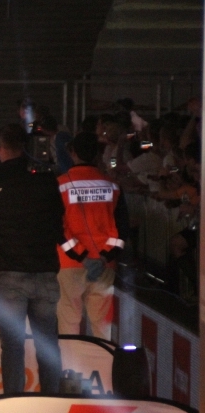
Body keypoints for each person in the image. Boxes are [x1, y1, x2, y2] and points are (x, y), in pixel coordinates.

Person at [0, 124, 65, 395]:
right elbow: (59, 213)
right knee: (48, 343)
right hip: (45, 272)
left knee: (12, 345)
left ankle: (13, 401)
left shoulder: (0, 176)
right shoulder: (45, 177)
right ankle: (52, 399)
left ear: (0, 149)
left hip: (8, 273)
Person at [56, 133, 129, 340]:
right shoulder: (113, 186)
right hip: (105, 267)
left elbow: (58, 228)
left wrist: (81, 256)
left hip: (70, 264)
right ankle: (102, 361)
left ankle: (70, 361)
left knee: (69, 324)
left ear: (72, 153)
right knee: (102, 327)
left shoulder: (60, 185)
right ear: (97, 155)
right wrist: (105, 257)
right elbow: (122, 230)